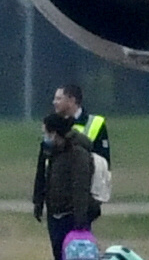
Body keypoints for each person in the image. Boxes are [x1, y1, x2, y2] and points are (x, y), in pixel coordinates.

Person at [33, 113, 96, 260]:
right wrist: (39, 202)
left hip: (72, 214)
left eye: (47, 133)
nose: (45, 137)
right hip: (55, 212)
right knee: (59, 256)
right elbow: (42, 176)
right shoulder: (50, 152)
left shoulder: (78, 154)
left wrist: (80, 219)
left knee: (75, 257)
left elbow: (80, 188)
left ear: (56, 133)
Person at [33, 84, 109, 226]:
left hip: (81, 201)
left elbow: (103, 166)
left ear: (71, 100)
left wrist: (93, 203)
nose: (54, 102)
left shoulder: (94, 124)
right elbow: (42, 166)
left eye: (59, 98)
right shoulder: (52, 123)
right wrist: (39, 199)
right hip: (56, 201)